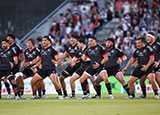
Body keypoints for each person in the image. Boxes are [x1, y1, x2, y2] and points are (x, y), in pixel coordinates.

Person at [139, 32, 160, 98]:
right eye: (147, 37)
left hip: (157, 65)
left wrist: (158, 62)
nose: (147, 38)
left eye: (149, 37)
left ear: (153, 37)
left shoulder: (158, 45)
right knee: (141, 80)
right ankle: (144, 95)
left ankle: (156, 95)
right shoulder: (146, 46)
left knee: (158, 80)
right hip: (148, 65)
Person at [59, 33, 80, 98]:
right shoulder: (69, 46)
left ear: (77, 40)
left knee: (84, 79)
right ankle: (65, 94)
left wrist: (73, 60)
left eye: (73, 38)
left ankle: (87, 93)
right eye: (71, 38)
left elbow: (82, 56)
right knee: (61, 78)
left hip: (79, 65)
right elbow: (65, 55)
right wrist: (57, 57)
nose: (71, 39)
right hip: (71, 65)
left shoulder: (79, 46)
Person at [6, 33, 24, 98]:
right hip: (7, 67)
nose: (8, 39)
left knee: (20, 78)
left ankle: (21, 94)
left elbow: (22, 58)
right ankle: (15, 94)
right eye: (7, 38)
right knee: (10, 80)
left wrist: (21, 65)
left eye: (9, 38)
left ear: (13, 39)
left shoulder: (17, 47)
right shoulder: (5, 47)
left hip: (16, 66)